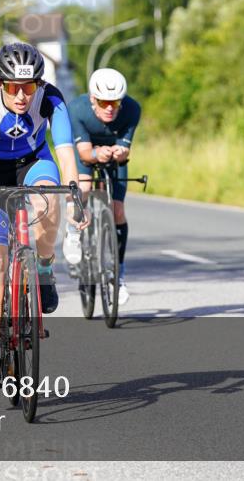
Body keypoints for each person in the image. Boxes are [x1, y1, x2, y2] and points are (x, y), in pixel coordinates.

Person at [0, 42, 87, 381]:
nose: (22, 95)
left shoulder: (52, 98)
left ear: (39, 84)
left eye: (29, 86)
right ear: (0, 84)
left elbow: (67, 153)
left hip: (34, 163)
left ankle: (43, 268)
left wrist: (75, 199)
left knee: (48, 198)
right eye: (13, 87)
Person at [63, 68, 141, 306]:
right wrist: (97, 153)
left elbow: (126, 148)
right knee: (84, 188)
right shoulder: (77, 110)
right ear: (92, 99)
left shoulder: (132, 109)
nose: (110, 108)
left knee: (117, 211)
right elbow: (85, 153)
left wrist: (120, 151)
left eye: (115, 102)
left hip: (113, 156)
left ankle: (118, 274)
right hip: (87, 152)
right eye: (104, 102)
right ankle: (74, 232)